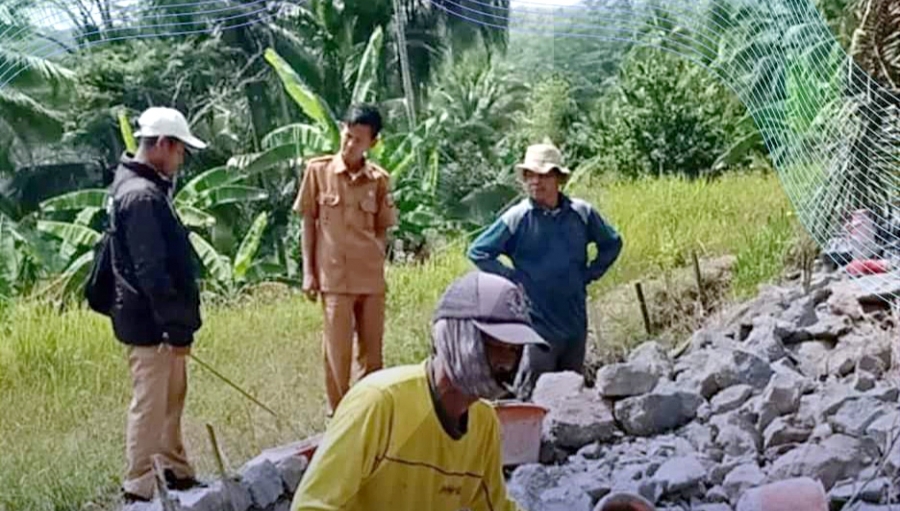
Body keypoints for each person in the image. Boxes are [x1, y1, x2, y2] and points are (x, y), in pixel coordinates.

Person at [291, 271, 549, 511]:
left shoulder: (483, 423)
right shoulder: (381, 402)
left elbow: (496, 507)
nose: (507, 362)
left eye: (515, 350)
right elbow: (312, 506)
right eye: (496, 345)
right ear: (457, 335)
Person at [467, 142, 623, 400]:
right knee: (532, 393)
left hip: (574, 321)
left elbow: (612, 243)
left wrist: (589, 273)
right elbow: (479, 251)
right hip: (537, 325)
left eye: (543, 175)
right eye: (530, 175)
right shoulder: (518, 218)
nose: (535, 182)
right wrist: (514, 279)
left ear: (558, 178)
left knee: (572, 391)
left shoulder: (581, 213)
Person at [109, 106, 208, 503]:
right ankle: (139, 484)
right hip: (150, 322)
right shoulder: (141, 197)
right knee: (151, 402)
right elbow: (152, 271)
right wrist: (173, 324)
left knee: (172, 396)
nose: (181, 158)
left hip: (159, 319)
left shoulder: (143, 187)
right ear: (163, 144)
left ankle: (174, 467)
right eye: (180, 150)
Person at [293, 104, 397, 416]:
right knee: (336, 354)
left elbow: (383, 229)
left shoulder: (379, 180)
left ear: (373, 143)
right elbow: (308, 224)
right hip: (334, 279)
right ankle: (339, 415)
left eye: (359, 140)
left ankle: (368, 413)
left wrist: (373, 258)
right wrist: (308, 273)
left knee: (372, 354)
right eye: (348, 136)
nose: (351, 145)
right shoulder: (318, 172)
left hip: (370, 279)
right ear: (342, 130)